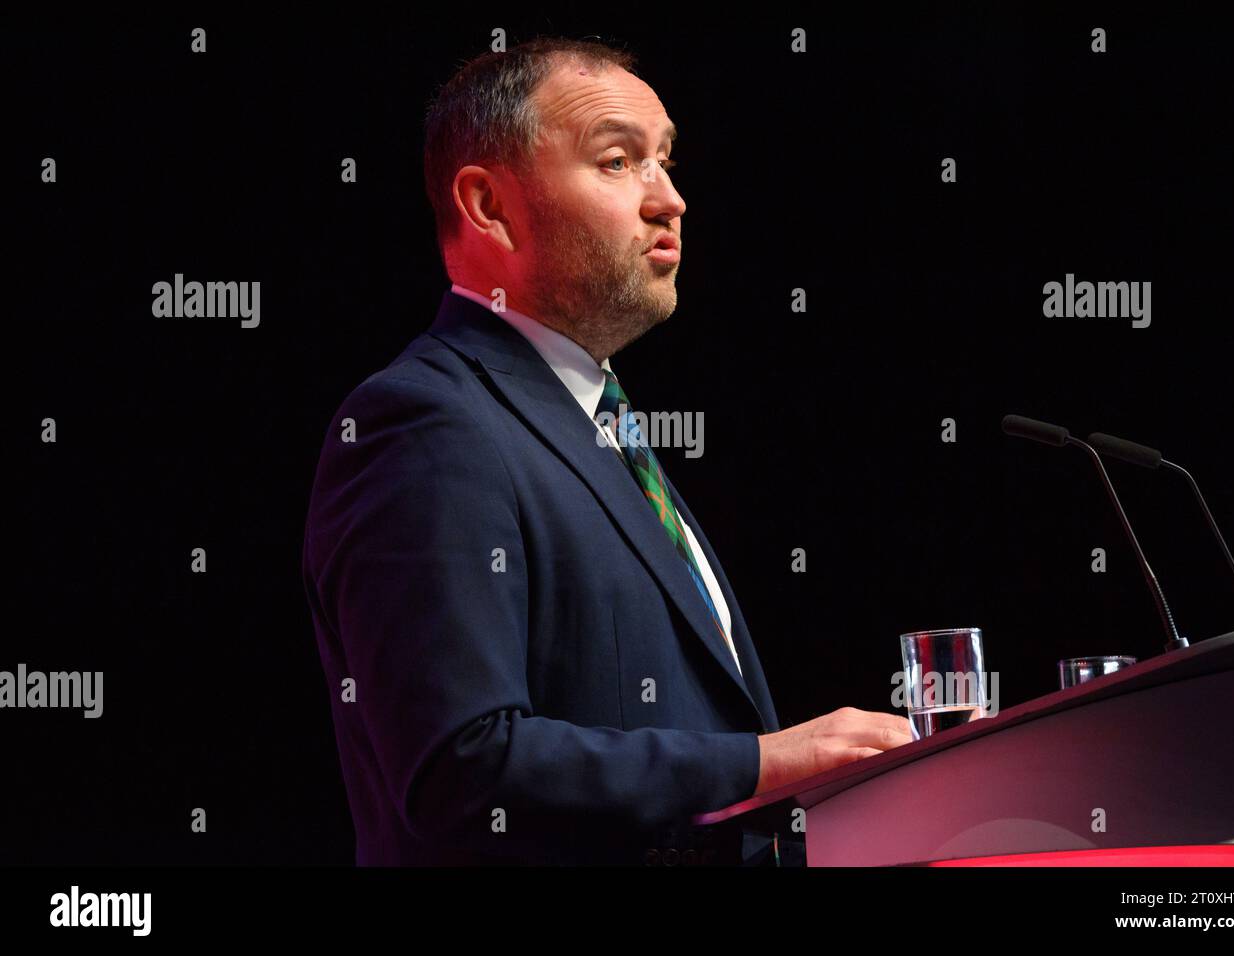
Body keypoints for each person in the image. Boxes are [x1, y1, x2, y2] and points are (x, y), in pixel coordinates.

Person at [302, 36, 911, 866]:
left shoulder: (597, 420)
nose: (671, 201)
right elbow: (461, 768)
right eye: (620, 161)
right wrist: (767, 765)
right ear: (488, 205)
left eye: (666, 160)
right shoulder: (424, 424)